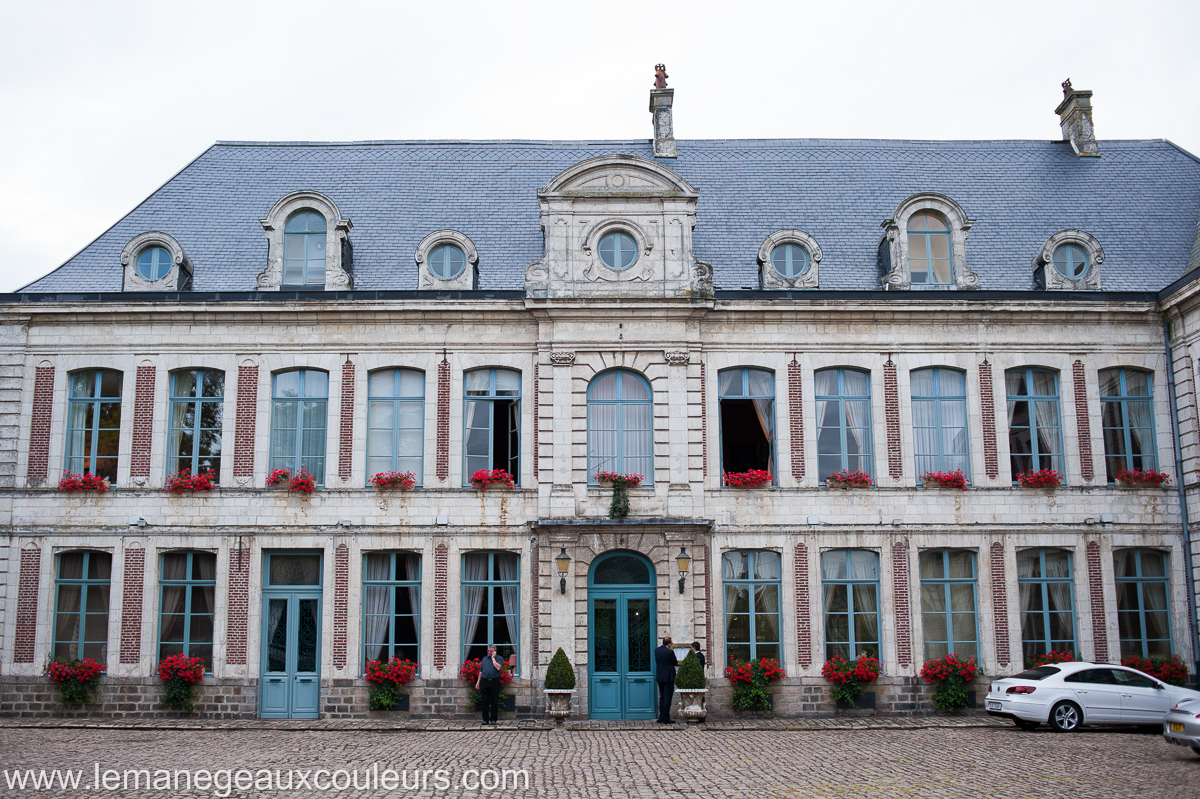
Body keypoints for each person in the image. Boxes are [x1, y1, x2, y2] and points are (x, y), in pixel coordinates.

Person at [475, 644, 504, 725]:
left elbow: (498, 668)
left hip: (494, 681)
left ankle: (493, 719)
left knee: (494, 701)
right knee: (484, 701)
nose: (489, 652)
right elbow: (481, 671)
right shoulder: (484, 659)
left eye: (490, 651)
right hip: (484, 681)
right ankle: (485, 720)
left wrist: (493, 659)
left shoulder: (499, 658)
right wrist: (478, 682)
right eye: (488, 651)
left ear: (494, 651)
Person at [654, 636, 677, 724]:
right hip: (668, 676)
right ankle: (666, 718)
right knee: (667, 697)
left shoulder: (657, 650)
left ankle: (661, 717)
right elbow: (674, 662)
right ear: (669, 643)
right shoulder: (669, 652)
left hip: (660, 676)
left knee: (662, 696)